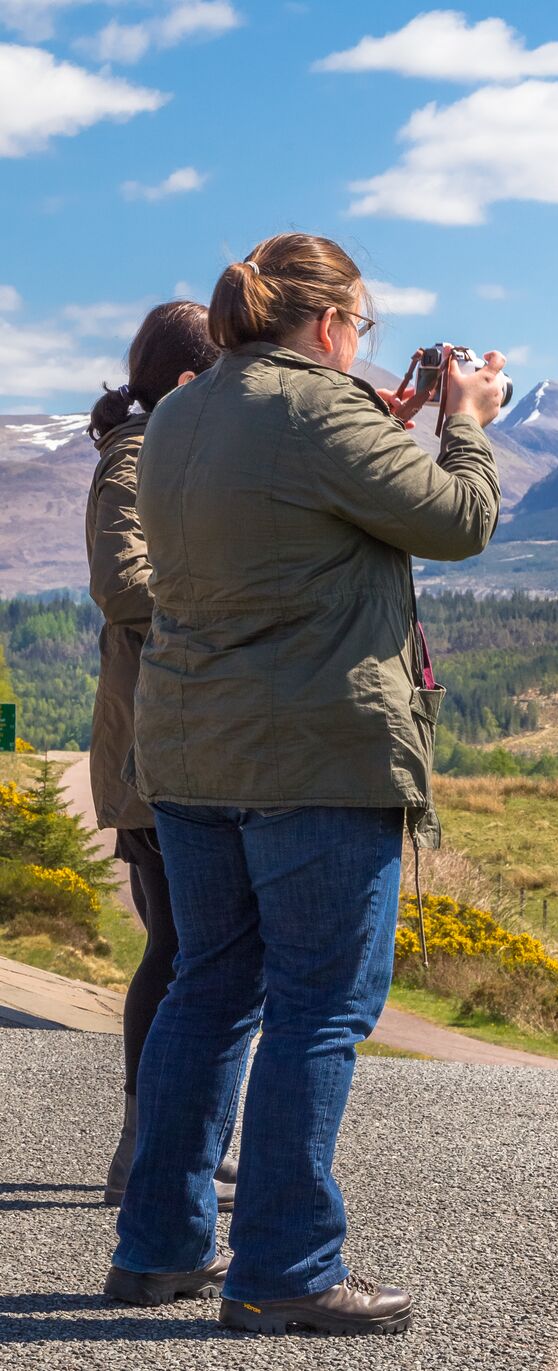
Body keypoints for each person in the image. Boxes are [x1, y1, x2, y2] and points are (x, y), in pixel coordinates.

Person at [103, 232, 506, 1336]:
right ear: (331, 324)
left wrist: (380, 421)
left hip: (190, 750)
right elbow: (459, 521)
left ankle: (157, 1248)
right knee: (320, 1010)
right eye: (359, 326)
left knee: (208, 989)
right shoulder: (319, 411)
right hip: (314, 756)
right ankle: (285, 1266)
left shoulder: (181, 413)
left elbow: (283, 498)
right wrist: (467, 421)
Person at [83, 301, 239, 1212]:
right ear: (187, 382)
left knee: (191, 947)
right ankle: (146, 1147)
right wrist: (232, 594)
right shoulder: (135, 458)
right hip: (152, 746)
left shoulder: (169, 449)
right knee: (177, 946)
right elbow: (121, 584)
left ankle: (181, 1140)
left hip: (182, 734)